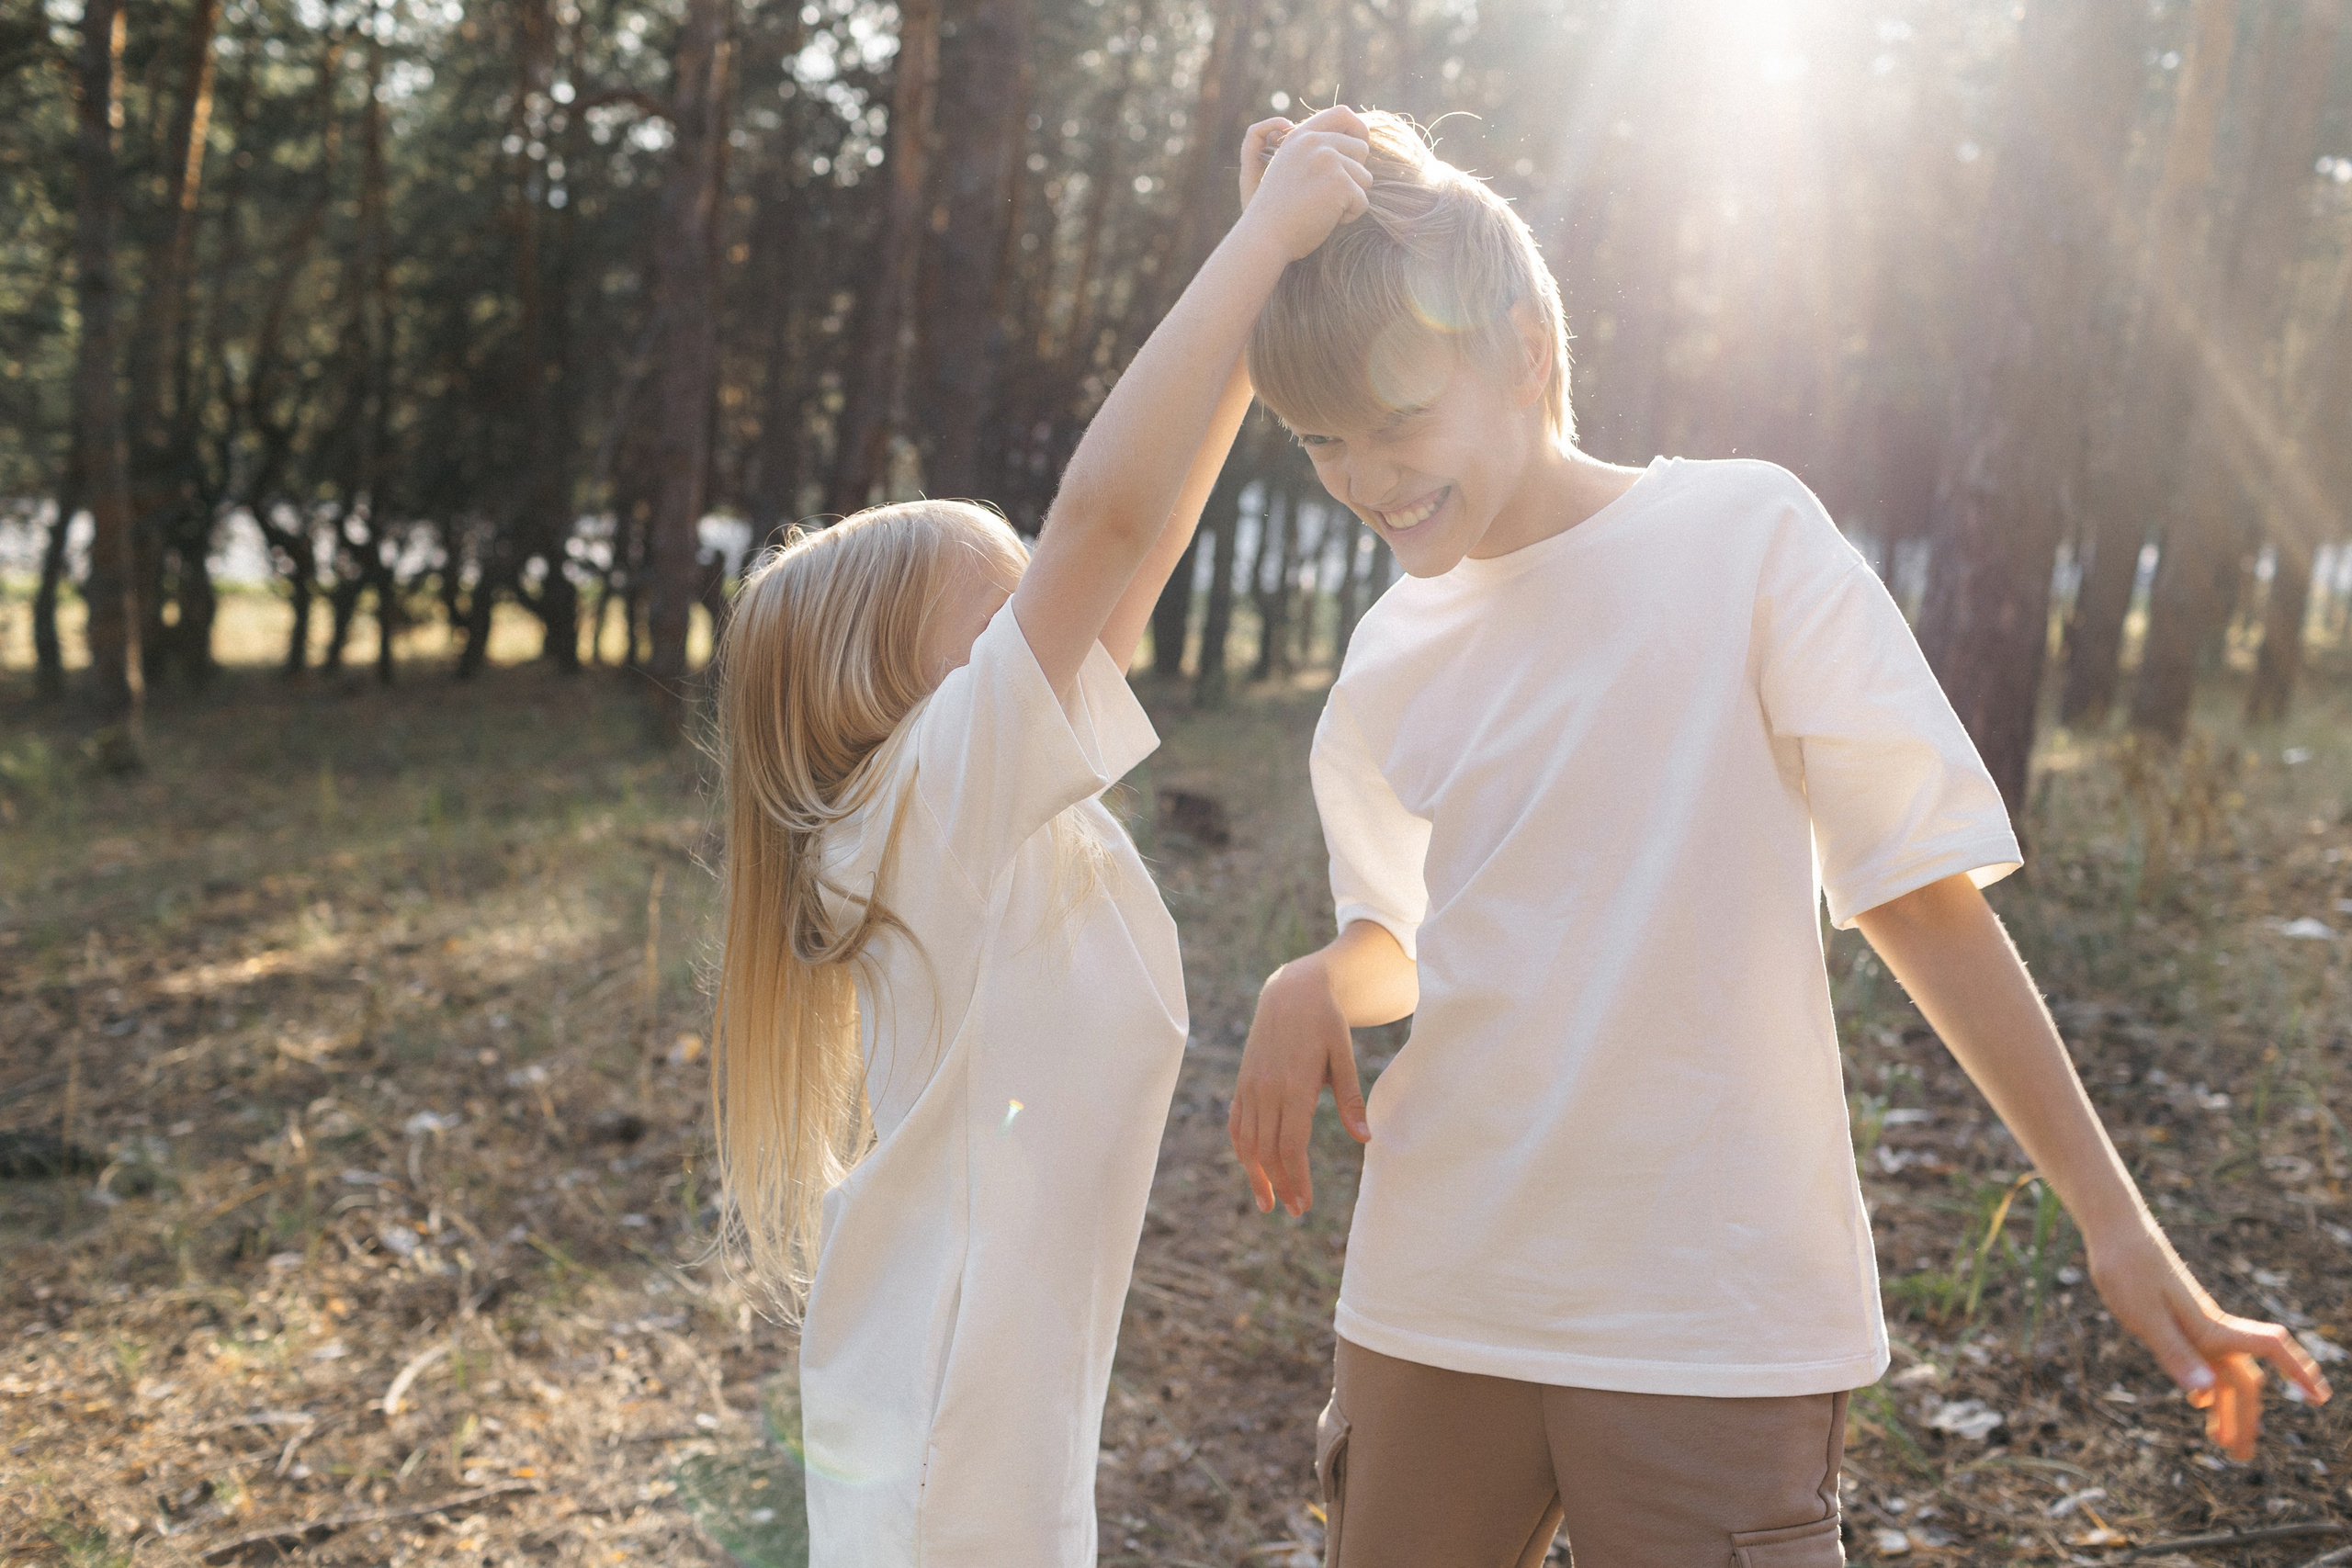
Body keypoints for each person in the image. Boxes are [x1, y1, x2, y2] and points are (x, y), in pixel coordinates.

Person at [1227, 110, 2332, 1568]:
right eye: (1321, 442)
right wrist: (1316, 978)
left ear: (1526, 354)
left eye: (1399, 421)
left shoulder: (1743, 538)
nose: (1367, 478)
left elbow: (1918, 898)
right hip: (1437, 1293)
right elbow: (1410, 942)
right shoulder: (1385, 657)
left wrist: (2116, 1223)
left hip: (1714, 1311)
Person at [706, 108, 1377, 1565]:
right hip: (950, 1409)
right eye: (1005, 603)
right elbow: (1102, 522)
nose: (1053, 619)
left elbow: (1138, 544)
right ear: (888, 676)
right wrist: (1256, 238)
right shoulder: (926, 804)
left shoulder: (971, 811)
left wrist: (1260, 289)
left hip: (990, 1393)